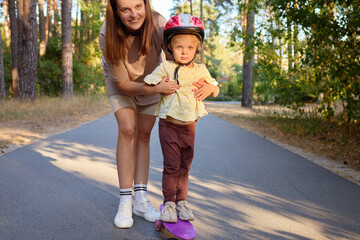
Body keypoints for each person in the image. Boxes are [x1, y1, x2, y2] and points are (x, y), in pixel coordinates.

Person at [99, 0, 214, 229]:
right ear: (115, 11)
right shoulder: (107, 33)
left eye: (138, 6)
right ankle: (125, 201)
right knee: (128, 128)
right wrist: (155, 88)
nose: (134, 14)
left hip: (155, 81)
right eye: (125, 9)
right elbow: (122, 83)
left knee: (143, 134)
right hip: (123, 85)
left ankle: (140, 201)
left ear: (145, 4)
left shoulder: (158, 23)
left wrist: (199, 86)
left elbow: (178, 54)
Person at [144, 14, 219, 223]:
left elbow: (215, 90)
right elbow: (150, 84)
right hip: (168, 126)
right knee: (171, 167)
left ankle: (182, 201)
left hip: (190, 128)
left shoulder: (201, 70)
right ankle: (169, 202)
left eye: (190, 48)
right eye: (179, 47)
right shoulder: (166, 67)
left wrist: (211, 87)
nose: (184, 52)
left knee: (185, 168)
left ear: (197, 49)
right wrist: (161, 86)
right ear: (170, 47)